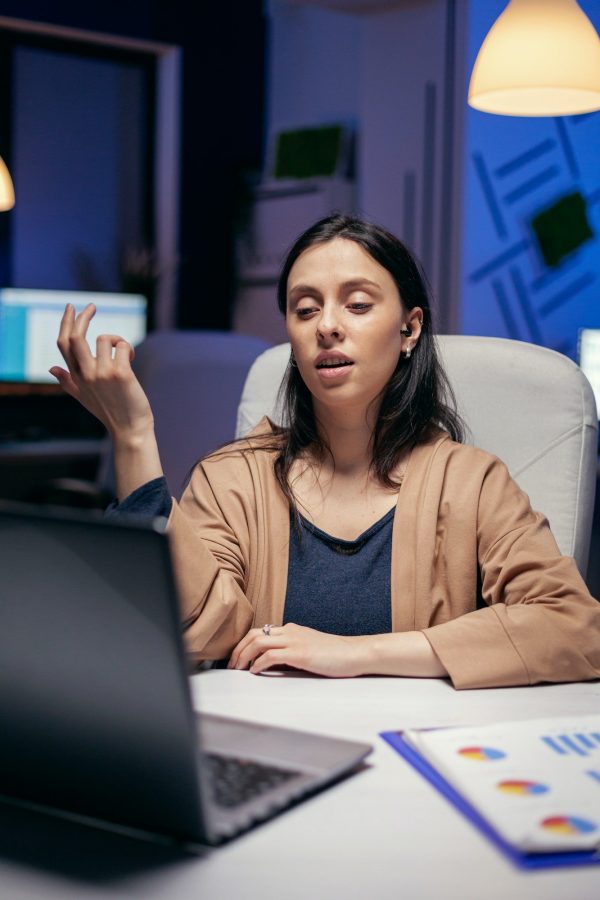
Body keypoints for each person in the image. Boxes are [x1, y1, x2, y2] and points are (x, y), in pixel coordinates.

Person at [50, 214, 600, 689]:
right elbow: (191, 629)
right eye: (305, 309)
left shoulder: (471, 482)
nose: (328, 327)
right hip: (274, 756)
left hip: (417, 765)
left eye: (358, 305)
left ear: (410, 329)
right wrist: (133, 437)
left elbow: (575, 628)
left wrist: (353, 654)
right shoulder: (233, 479)